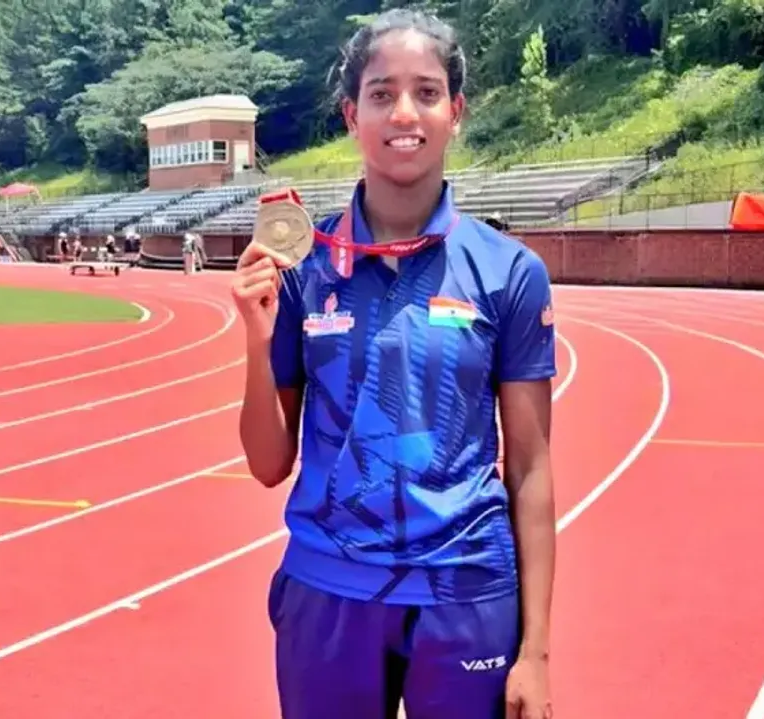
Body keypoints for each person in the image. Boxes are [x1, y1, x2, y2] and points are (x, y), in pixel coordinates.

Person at [230, 9, 557, 719]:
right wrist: (256, 342)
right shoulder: (301, 269)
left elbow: (529, 469)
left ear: (456, 111)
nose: (403, 112)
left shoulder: (509, 272)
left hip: (466, 592)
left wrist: (534, 650)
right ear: (352, 114)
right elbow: (265, 462)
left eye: (426, 92)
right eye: (381, 93)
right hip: (329, 587)